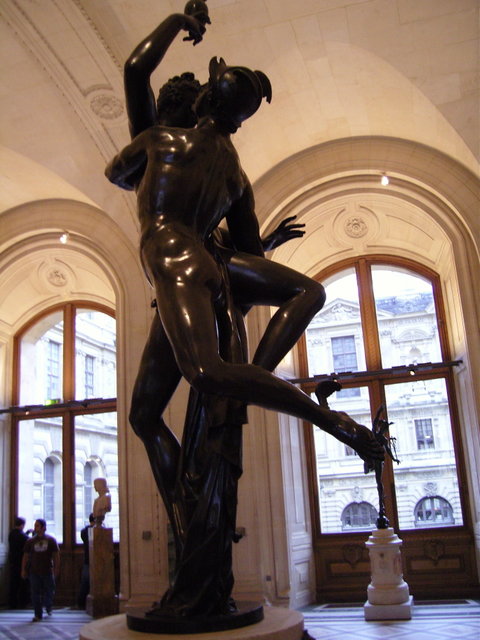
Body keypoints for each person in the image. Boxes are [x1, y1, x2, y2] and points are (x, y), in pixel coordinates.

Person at [105, 55, 384, 471]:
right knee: (144, 416)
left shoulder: (160, 141)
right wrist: (265, 244)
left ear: (204, 102)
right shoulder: (235, 175)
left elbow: (116, 168)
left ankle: (330, 421)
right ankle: (247, 390)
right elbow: (251, 254)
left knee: (204, 372)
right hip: (200, 269)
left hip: (174, 266)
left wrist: (180, 23)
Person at [21, 518, 60, 622]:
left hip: (47, 570)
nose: (35, 528)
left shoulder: (51, 540)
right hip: (34, 571)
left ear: (43, 527)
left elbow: (56, 556)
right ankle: (38, 614)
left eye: (37, 525)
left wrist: (56, 568)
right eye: (35, 525)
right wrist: (23, 570)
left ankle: (48, 606)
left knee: (49, 591)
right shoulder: (30, 541)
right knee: (35, 593)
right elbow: (25, 556)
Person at [8, 516, 30, 609]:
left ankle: (12, 603)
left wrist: (26, 533)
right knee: (23, 583)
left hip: (13, 560)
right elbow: (29, 542)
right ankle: (23, 603)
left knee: (13, 583)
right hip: (21, 561)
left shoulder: (11, 534)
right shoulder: (22, 536)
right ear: (22, 525)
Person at [77, 513, 95, 609]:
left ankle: (81, 603)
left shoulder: (84, 531)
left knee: (85, 582)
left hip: (87, 559)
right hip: (94, 559)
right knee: (87, 582)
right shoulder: (93, 530)